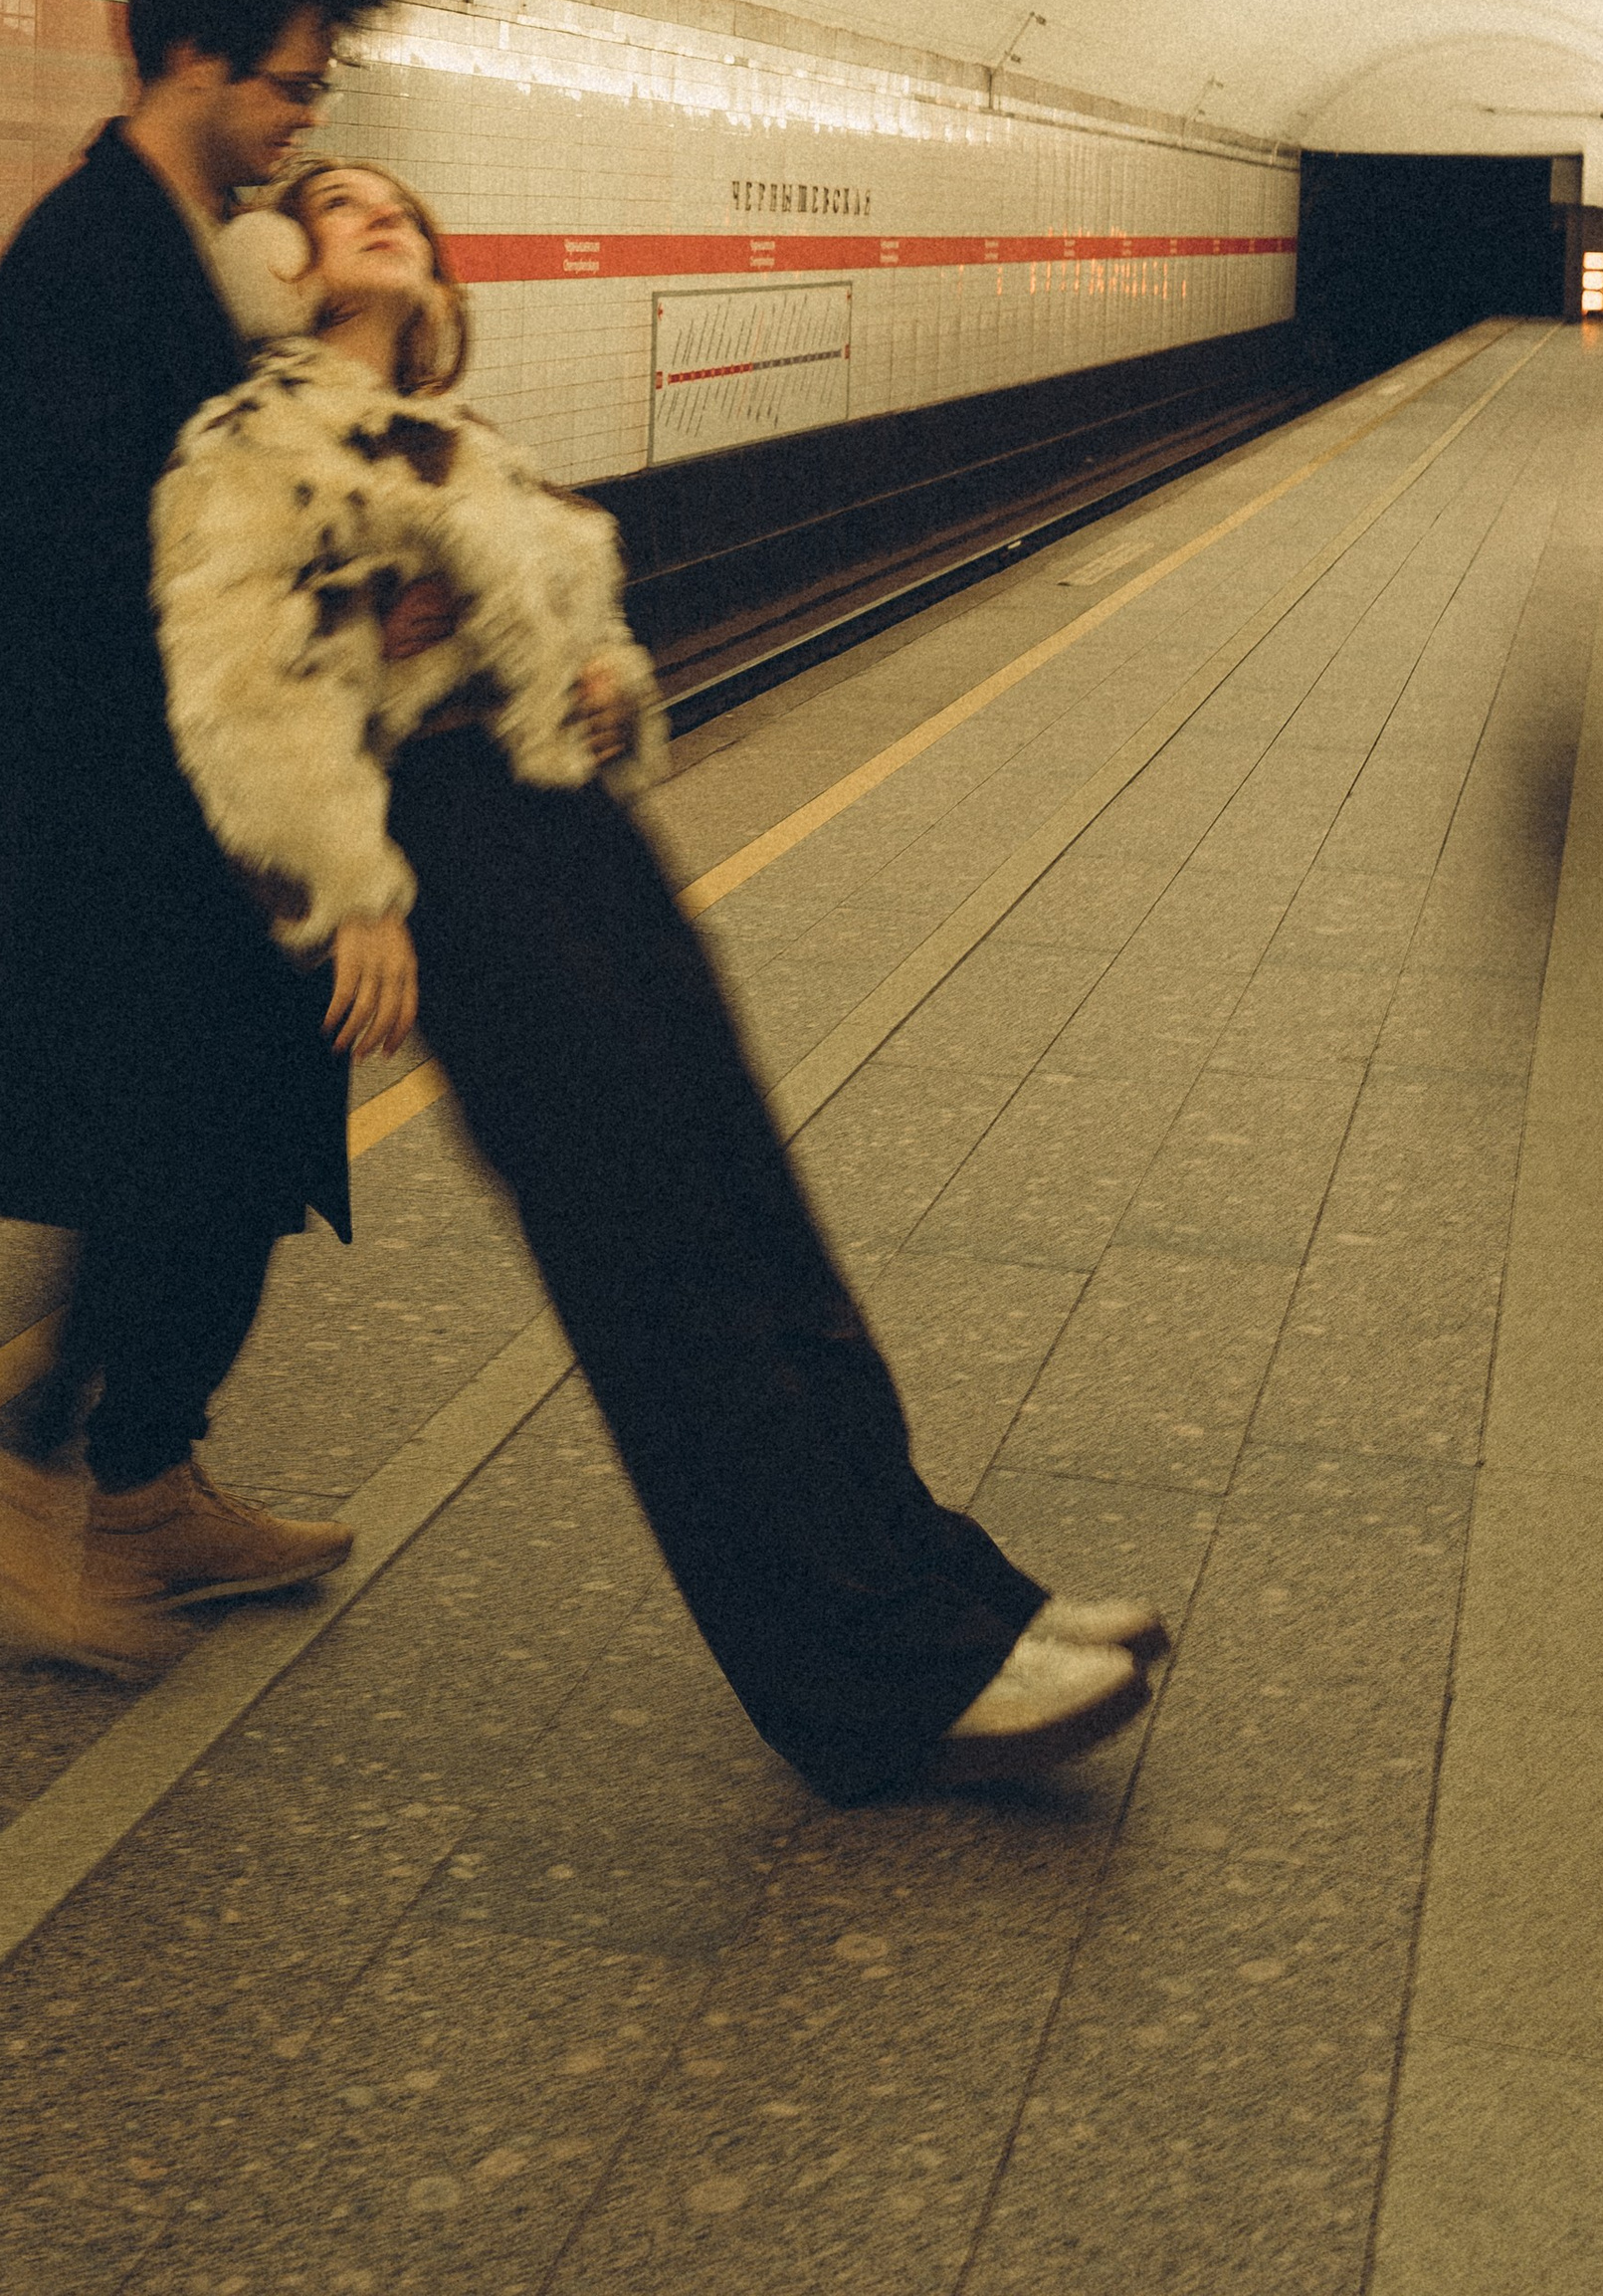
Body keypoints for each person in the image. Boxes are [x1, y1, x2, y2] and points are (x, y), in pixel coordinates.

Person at [152, 157, 1170, 1799]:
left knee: (756, 1223)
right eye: (334, 205)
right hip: (451, 868)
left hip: (576, 840)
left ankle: (943, 1596)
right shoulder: (251, 446)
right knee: (658, 1271)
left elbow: (561, 632)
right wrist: (354, 895)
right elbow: (242, 694)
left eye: (399, 201)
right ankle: (861, 1682)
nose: (376, 214)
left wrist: (608, 689)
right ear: (276, 261)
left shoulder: (463, 443)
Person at [0, 0, 407, 1672]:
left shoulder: (178, 245)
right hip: (125, 818)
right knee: (164, 1165)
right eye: (288, 88)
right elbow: (119, 591)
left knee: (215, 1162)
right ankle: (23, 1479)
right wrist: (286, 839)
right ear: (193, 54)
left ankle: (150, 1485)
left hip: (199, 806)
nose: (302, 125)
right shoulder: (83, 266)